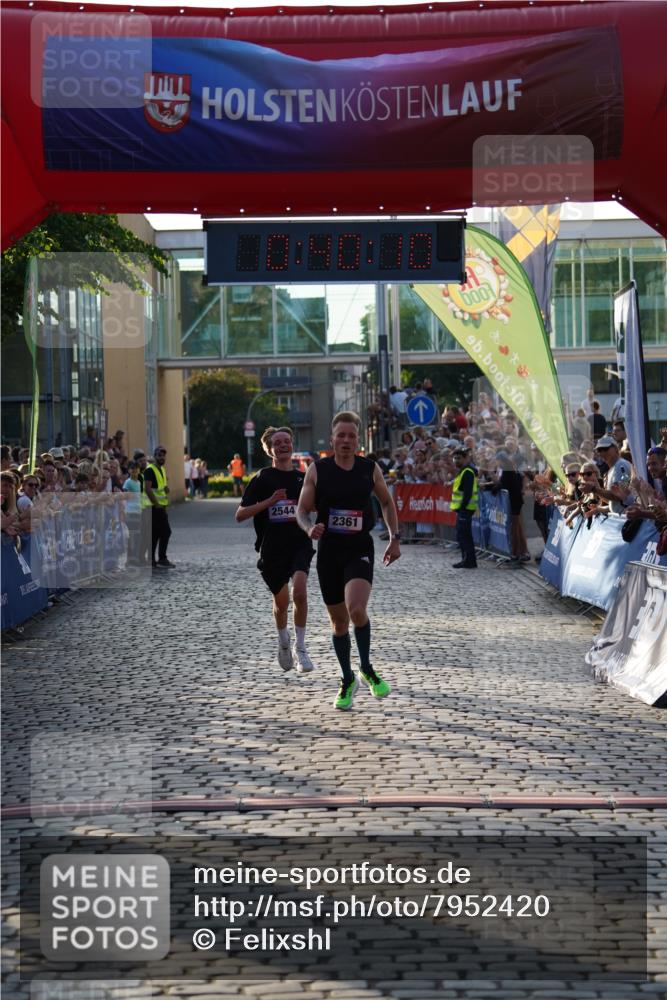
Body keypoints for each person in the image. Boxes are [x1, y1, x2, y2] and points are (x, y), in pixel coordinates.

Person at [296, 411, 401, 711]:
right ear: (332, 439)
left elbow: (386, 501)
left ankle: (366, 667)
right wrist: (308, 527)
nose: (345, 440)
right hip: (329, 550)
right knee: (339, 621)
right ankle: (347, 678)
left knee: (356, 609)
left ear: (358, 440)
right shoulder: (317, 470)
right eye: (340, 435)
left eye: (351, 435)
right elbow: (302, 510)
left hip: (358, 547)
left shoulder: (369, 469)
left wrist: (394, 538)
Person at [235, 426, 316, 674]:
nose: (283, 445)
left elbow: (317, 506)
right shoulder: (262, 478)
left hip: (300, 544)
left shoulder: (303, 478)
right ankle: (284, 641)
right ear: (269, 449)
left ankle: (301, 649)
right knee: (282, 603)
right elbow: (240, 515)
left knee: (300, 593)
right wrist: (270, 501)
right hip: (272, 549)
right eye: (277, 442)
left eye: (287, 441)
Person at [144, 445, 174, 569]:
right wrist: (156, 504)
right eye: (159, 455)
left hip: (161, 506)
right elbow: (148, 488)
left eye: (163, 456)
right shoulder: (150, 470)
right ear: (155, 456)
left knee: (157, 534)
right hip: (154, 507)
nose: (162, 458)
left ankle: (152, 560)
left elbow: (160, 487)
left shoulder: (161, 469)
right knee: (165, 532)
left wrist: (165, 489)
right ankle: (161, 558)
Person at [451, 446, 478, 568]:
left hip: (465, 509)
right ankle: (465, 559)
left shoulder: (467, 472)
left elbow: (467, 493)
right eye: (454, 458)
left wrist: (462, 508)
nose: (456, 460)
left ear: (466, 458)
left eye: (459, 458)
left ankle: (469, 561)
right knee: (461, 535)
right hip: (462, 509)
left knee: (465, 536)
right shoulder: (462, 471)